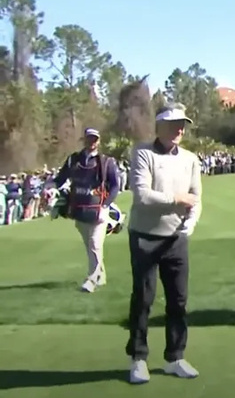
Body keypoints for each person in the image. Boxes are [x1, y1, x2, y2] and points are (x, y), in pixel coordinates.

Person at [126, 103, 202, 384]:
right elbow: (142, 196)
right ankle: (138, 358)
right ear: (160, 126)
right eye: (174, 124)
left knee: (178, 300)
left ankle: (175, 357)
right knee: (144, 298)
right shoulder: (143, 153)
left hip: (176, 239)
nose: (180, 129)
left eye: (183, 124)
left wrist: (188, 226)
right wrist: (176, 200)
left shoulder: (190, 159)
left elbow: (196, 197)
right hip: (145, 237)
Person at [53, 128, 120, 293]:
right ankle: (101, 275)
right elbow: (60, 178)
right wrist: (50, 188)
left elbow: (115, 186)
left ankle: (91, 279)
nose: (92, 142)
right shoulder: (74, 160)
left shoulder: (106, 162)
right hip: (79, 211)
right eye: (89, 138)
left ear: (99, 141)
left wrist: (106, 205)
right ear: (84, 139)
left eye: (95, 139)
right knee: (90, 247)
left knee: (95, 245)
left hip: (99, 211)